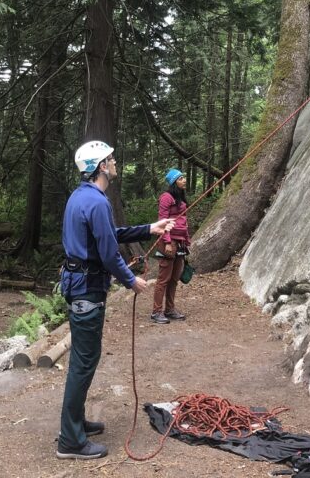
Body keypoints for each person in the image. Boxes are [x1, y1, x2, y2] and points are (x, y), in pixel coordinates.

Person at [56, 140, 174, 460]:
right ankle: (70, 440)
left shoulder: (84, 197)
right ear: (100, 167)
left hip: (79, 286)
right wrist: (130, 280)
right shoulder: (96, 202)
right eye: (110, 159)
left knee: (84, 360)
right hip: (87, 290)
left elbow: (110, 234)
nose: (115, 162)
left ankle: (75, 423)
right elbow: (108, 253)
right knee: (83, 362)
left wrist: (150, 228)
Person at [151, 168, 191, 324]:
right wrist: (167, 241)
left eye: (184, 177)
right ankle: (156, 312)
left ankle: (170, 309)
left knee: (174, 278)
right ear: (174, 181)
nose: (184, 180)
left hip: (180, 242)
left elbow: (183, 222)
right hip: (169, 241)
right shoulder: (166, 197)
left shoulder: (180, 197)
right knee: (163, 279)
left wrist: (187, 240)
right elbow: (163, 220)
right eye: (181, 178)